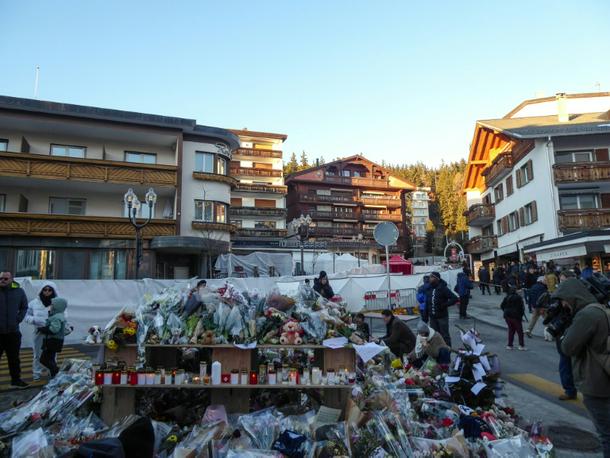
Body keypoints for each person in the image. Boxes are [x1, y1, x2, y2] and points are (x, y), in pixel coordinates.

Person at [555, 279, 610, 457]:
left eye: (564, 300)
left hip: (596, 381)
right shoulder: (599, 309)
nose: (563, 305)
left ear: (573, 297)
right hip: (603, 376)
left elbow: (567, 347)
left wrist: (563, 333)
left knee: (606, 434)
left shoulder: (586, 315)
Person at [24, 281, 59, 381]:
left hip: (52, 332)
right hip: (39, 332)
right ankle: (37, 373)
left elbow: (64, 315)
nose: (47, 292)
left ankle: (52, 372)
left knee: (52, 354)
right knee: (37, 354)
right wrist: (34, 320)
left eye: (50, 290)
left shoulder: (57, 302)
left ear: (53, 291)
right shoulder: (34, 303)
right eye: (45, 289)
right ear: (41, 290)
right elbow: (26, 314)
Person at [0, 271, 29, 388]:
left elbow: (24, 307)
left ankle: (16, 380)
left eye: (5, 279)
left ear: (12, 280)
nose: (2, 280)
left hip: (13, 332)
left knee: (14, 359)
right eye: (1, 278)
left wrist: (18, 319)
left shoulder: (19, 291)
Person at [424, 272, 458, 347]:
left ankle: (448, 350)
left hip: (442, 317)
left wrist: (444, 305)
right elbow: (427, 303)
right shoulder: (429, 289)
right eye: (430, 277)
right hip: (432, 318)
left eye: (432, 277)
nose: (430, 278)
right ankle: (438, 351)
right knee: (434, 335)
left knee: (444, 335)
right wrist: (425, 316)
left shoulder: (443, 288)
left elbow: (454, 298)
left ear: (437, 279)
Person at [38, 297, 68, 377]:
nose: (50, 306)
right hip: (55, 341)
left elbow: (54, 330)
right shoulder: (59, 315)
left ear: (57, 306)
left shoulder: (57, 317)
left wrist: (42, 329)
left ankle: (57, 371)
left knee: (43, 360)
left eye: (52, 305)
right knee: (50, 359)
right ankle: (54, 375)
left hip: (52, 341)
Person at [500, 286, 526, 351]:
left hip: (507, 315)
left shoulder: (507, 297)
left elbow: (502, 306)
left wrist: (506, 311)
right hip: (515, 316)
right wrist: (520, 315)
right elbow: (521, 308)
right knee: (520, 331)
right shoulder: (518, 298)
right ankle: (521, 345)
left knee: (511, 330)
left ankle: (510, 345)